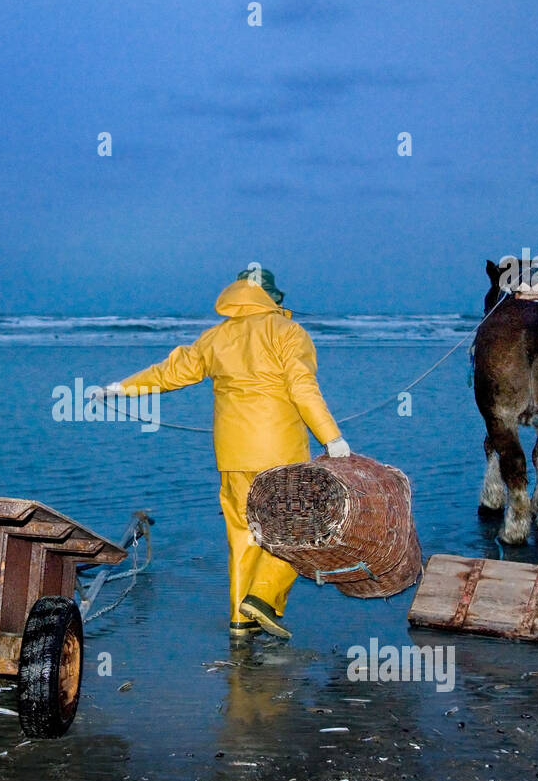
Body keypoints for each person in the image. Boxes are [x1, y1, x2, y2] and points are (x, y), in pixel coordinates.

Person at [96, 268, 351, 640]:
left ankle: (240, 619)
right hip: (279, 453)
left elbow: (170, 373)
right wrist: (332, 438)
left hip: (232, 454)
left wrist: (121, 388)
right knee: (300, 527)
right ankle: (262, 598)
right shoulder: (289, 333)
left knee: (244, 533)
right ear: (273, 299)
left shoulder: (216, 337)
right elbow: (302, 387)